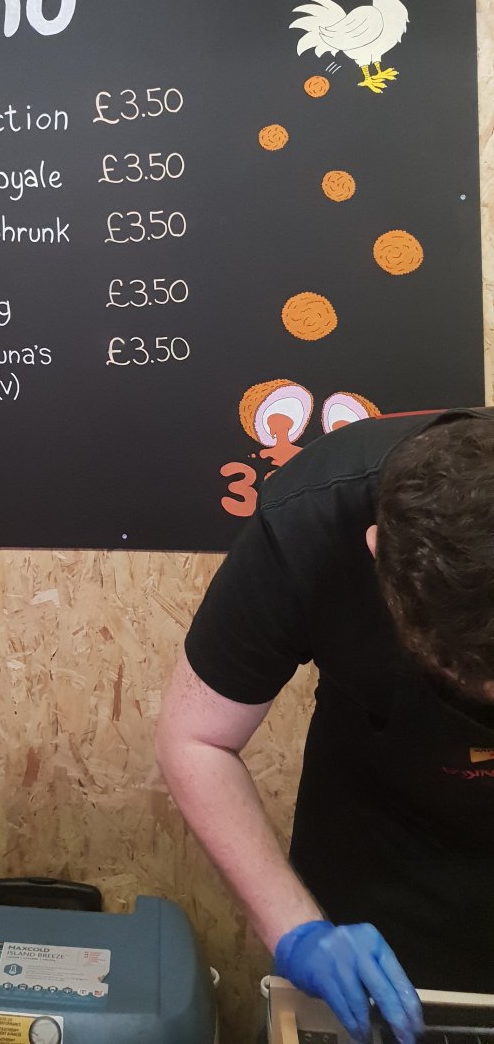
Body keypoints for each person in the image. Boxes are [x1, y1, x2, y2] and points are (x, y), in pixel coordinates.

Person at [155, 408, 494, 1044]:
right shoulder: (314, 518)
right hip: (377, 868)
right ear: (376, 552)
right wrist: (298, 930)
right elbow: (197, 739)